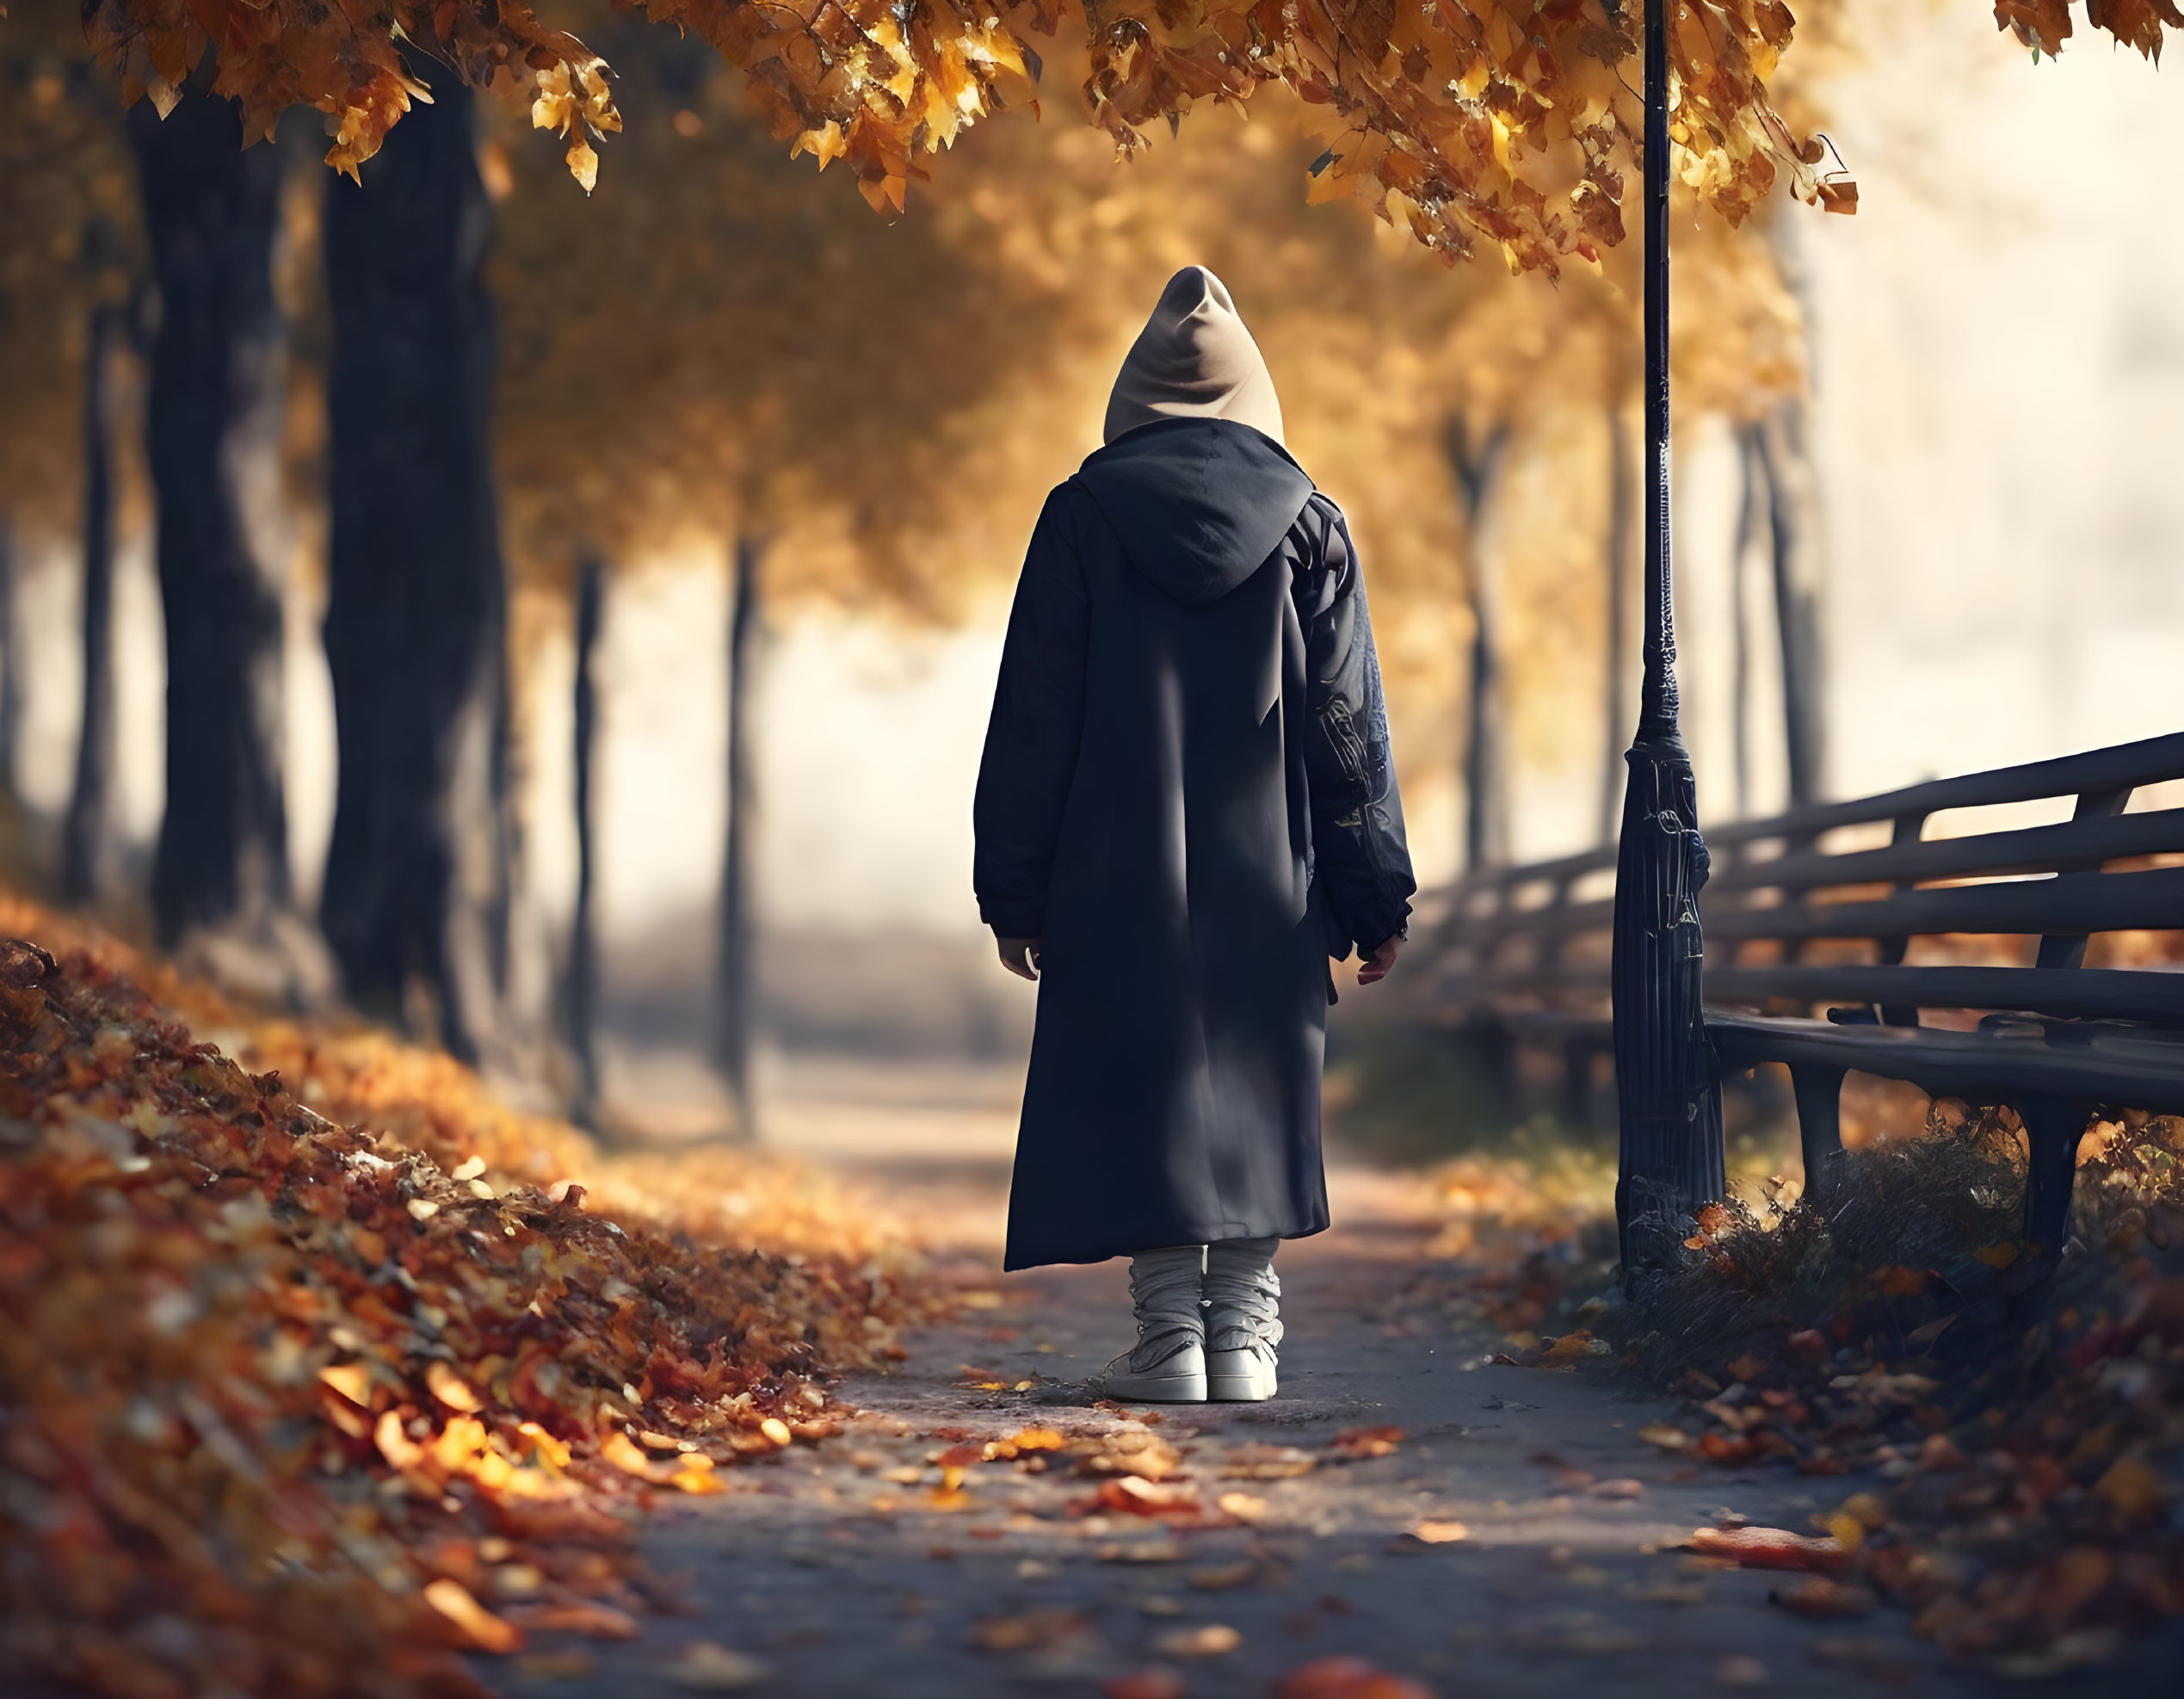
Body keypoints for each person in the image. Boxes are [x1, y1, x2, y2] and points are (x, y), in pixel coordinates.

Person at [972, 266, 1415, 1403]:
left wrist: (1013, 891)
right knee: (1257, 1076)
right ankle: (1249, 1343)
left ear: (1132, 399)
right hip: (1270, 866)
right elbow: (1345, 724)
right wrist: (1376, 893)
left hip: (1113, 864)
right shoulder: (1311, 525)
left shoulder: (1080, 516)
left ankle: (1169, 1340)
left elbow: (1036, 716)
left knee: (1144, 1074)